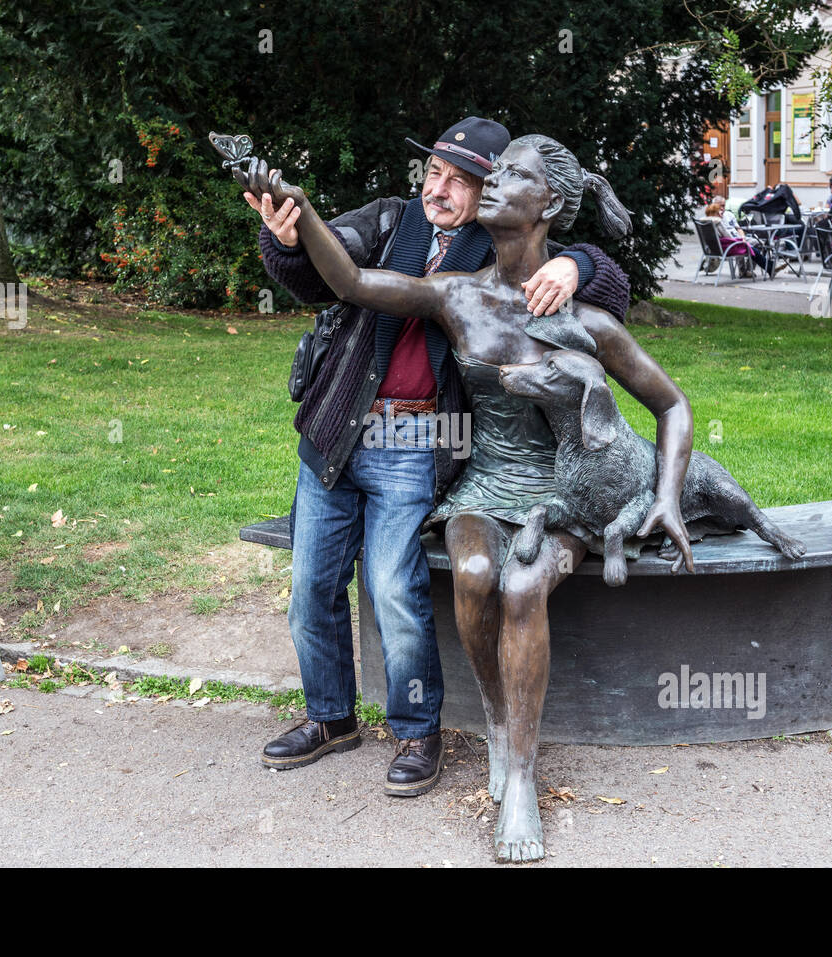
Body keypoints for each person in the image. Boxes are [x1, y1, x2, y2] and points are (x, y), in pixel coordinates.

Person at [235, 133, 695, 862]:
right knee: (434, 577)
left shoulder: (570, 296)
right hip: (418, 459)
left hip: (530, 478)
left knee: (497, 584)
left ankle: (510, 767)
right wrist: (296, 210)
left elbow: (660, 382)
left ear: (537, 202)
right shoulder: (428, 258)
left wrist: (667, 495)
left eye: (490, 177)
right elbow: (346, 279)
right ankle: (452, 719)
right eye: (444, 173)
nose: (450, 188)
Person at [703, 197, 769, 277]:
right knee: (742, 245)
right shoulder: (714, 221)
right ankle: (743, 270)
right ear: (713, 207)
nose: (722, 208)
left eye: (723, 206)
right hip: (730, 243)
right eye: (719, 206)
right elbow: (726, 237)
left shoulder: (729, 214)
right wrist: (741, 241)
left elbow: (739, 229)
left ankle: (748, 270)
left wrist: (743, 237)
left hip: (737, 238)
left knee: (758, 242)